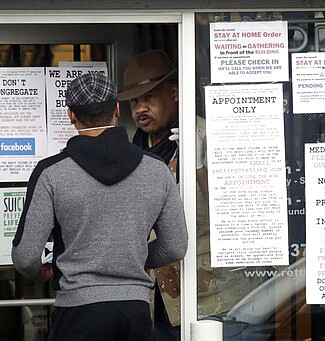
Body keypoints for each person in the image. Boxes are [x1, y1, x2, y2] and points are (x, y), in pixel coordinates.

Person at [12, 73, 188, 341]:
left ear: (71, 115)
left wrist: (40, 271)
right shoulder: (156, 170)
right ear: (117, 110)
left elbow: (25, 257)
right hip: (136, 312)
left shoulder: (51, 173)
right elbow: (175, 245)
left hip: (77, 312)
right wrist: (132, 255)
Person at [119, 50, 264, 341]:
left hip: (215, 297)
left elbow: (243, 211)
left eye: (149, 97)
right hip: (156, 297)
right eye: (134, 101)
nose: (140, 109)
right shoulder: (133, 148)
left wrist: (198, 165)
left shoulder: (213, 135)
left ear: (174, 93)